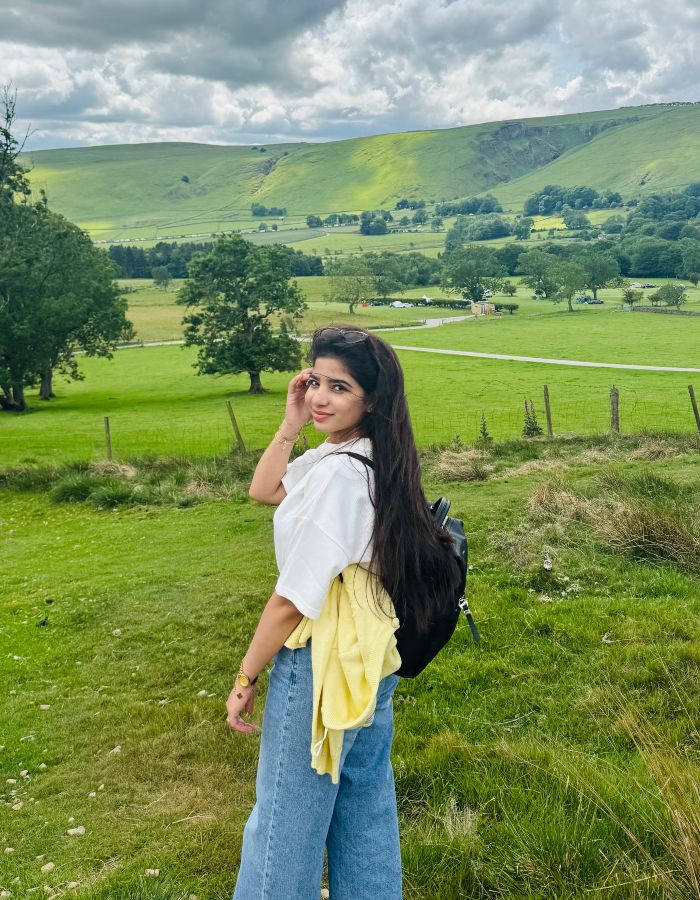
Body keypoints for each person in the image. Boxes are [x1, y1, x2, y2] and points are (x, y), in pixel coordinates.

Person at [228, 326, 461, 900]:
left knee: (285, 823)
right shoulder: (362, 455)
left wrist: (246, 676)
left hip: (324, 661)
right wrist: (291, 425)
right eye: (315, 382)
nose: (320, 398)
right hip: (371, 654)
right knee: (363, 809)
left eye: (340, 387)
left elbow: (290, 602)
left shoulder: (338, 473)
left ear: (372, 400)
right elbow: (265, 490)